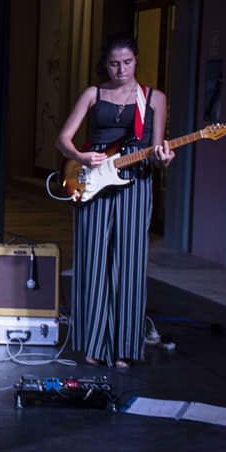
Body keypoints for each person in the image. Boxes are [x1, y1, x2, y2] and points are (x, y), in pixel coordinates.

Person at [56, 34, 174, 369]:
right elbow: (63, 139)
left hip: (135, 182)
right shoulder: (93, 94)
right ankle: (93, 343)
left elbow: (156, 151)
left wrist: (164, 159)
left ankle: (125, 347)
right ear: (105, 64)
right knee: (92, 260)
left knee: (130, 263)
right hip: (93, 179)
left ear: (136, 60)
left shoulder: (154, 98)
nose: (121, 69)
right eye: (114, 64)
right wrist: (81, 156)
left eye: (127, 62)